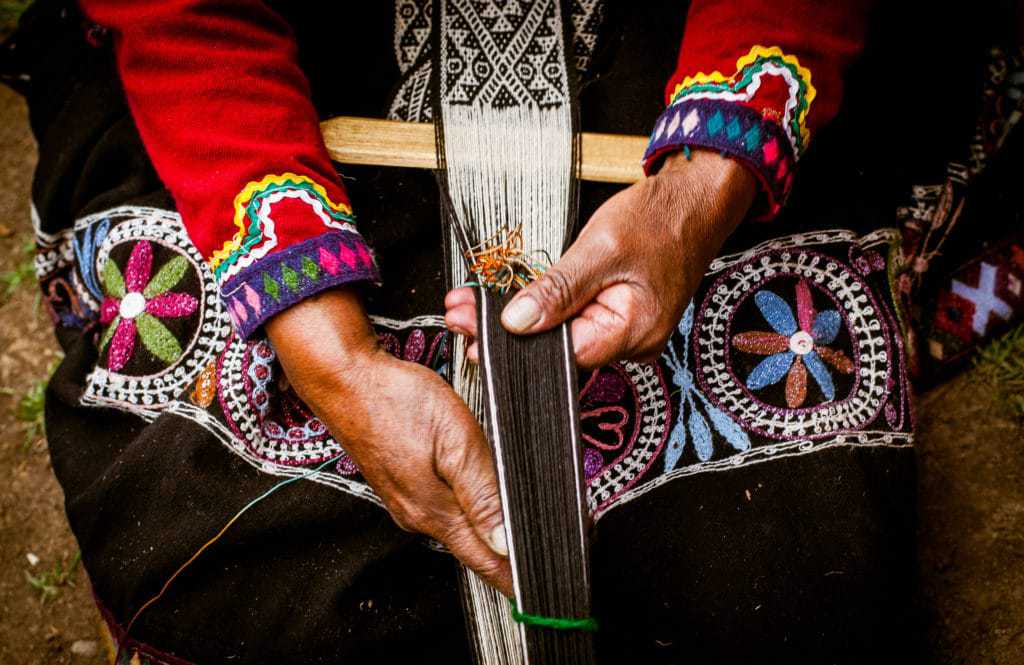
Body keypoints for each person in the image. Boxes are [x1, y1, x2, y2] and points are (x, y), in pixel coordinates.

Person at [3, 0, 1021, 662]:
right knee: (251, 573)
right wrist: (330, 354)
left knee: (766, 577)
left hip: (668, 27)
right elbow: (186, 16)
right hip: (288, 55)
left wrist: (699, 188)